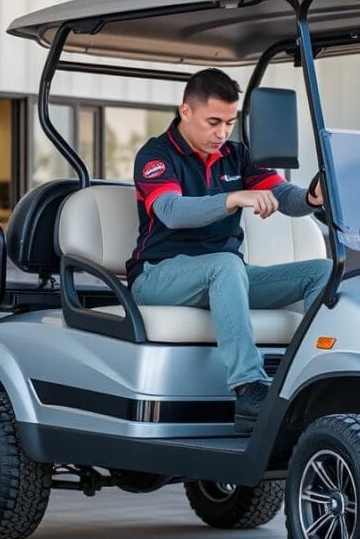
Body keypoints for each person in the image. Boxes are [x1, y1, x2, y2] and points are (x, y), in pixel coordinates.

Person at [126, 68, 332, 433]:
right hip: (158, 276)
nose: (222, 133)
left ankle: (310, 379)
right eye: (213, 122)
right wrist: (233, 198)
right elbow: (171, 212)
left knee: (321, 271)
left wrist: (312, 198)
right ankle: (249, 388)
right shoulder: (156, 155)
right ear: (185, 112)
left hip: (225, 277)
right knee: (225, 265)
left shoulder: (237, 155)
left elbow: (285, 198)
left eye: (230, 122)